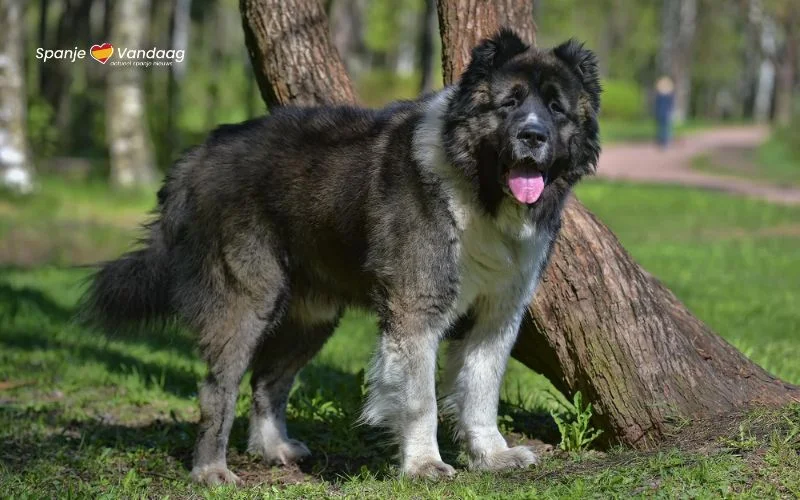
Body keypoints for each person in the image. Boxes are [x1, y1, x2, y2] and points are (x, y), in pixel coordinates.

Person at [654, 76, 675, 148]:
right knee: (665, 128)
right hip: (665, 113)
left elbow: (657, 105)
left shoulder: (659, 95)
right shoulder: (669, 95)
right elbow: (671, 105)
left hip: (661, 113)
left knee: (662, 128)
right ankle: (664, 142)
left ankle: (663, 141)